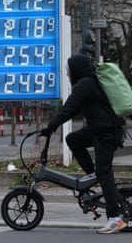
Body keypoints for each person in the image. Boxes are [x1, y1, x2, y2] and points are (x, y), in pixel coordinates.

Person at [40, 54, 126, 234]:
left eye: (69, 71)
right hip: (101, 131)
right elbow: (74, 110)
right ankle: (92, 176)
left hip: (107, 133)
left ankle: (115, 218)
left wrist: (50, 127)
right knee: (73, 139)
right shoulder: (90, 83)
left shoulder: (85, 85)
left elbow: (68, 109)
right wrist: (54, 125)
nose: (67, 74)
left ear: (76, 70)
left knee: (104, 171)